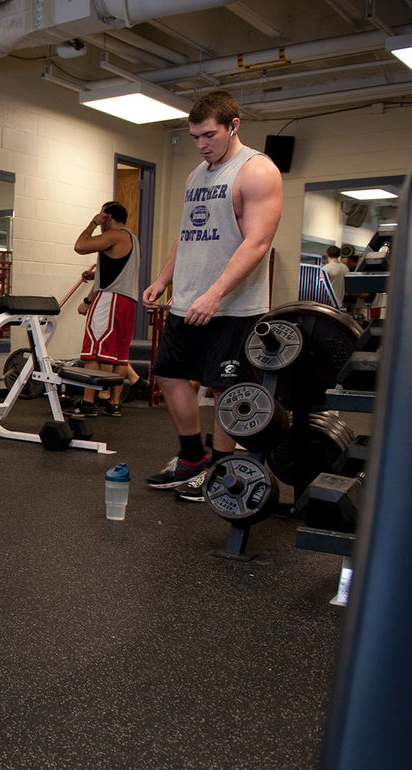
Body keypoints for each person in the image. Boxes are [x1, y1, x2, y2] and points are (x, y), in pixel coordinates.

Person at [142, 90, 283, 501]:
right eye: (195, 137)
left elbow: (258, 243)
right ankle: (191, 459)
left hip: (232, 306)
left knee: (222, 388)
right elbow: (188, 236)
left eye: (209, 135)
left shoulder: (257, 171)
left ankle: (220, 472)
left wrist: (216, 293)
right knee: (168, 375)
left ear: (233, 126)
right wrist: (164, 279)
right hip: (187, 300)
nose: (202, 144)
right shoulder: (196, 175)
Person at [72, 202, 139, 417]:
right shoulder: (132, 239)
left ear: (107, 216)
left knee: (94, 352)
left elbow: (80, 246)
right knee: (119, 356)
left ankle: (88, 403)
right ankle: (114, 403)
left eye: (103, 218)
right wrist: (92, 289)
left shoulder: (115, 235)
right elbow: (116, 273)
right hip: (128, 302)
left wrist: (93, 222)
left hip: (111, 301)